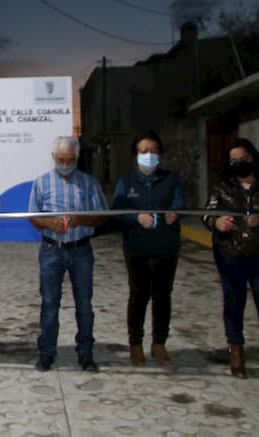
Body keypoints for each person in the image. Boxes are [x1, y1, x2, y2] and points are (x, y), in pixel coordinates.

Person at [28, 136, 108, 373]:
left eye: (69, 159)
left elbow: (102, 214)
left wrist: (82, 219)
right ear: (54, 158)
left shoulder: (89, 183)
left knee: (84, 303)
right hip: (52, 250)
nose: (65, 164)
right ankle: (47, 353)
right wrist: (48, 223)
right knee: (50, 303)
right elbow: (32, 216)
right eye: (61, 159)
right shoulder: (41, 183)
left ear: (76, 158)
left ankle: (85, 354)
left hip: (81, 249)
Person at [112, 131, 185, 366]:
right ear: (136, 155)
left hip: (166, 247)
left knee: (163, 296)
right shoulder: (126, 181)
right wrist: (136, 217)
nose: (149, 155)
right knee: (138, 295)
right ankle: (136, 344)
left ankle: (159, 343)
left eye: (153, 151)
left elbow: (180, 202)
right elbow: (118, 209)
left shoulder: (171, 179)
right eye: (144, 151)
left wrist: (175, 211)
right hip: (137, 248)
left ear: (160, 154)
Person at [203, 137, 259, 379]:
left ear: (253, 157)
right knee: (234, 303)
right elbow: (206, 215)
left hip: (258, 255)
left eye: (243, 159)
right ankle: (235, 352)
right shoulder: (223, 188)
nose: (239, 164)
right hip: (230, 255)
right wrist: (217, 222)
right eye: (234, 161)